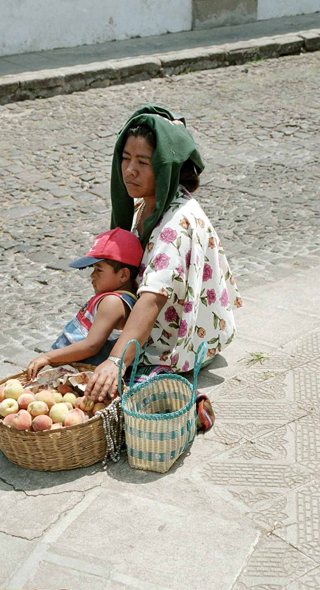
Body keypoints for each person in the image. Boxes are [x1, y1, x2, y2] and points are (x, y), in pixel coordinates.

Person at [85, 105, 242, 401]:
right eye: (126, 158)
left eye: (143, 162)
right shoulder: (147, 202)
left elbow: (152, 298)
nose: (130, 170)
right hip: (167, 312)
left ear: (164, 167)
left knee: (102, 378)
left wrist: (116, 362)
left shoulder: (174, 224)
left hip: (189, 338)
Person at [26, 228, 143, 381]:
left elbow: (91, 345)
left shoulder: (113, 302)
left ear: (123, 275)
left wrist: (47, 357)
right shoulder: (110, 298)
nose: (92, 276)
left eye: (99, 270)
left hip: (82, 376)